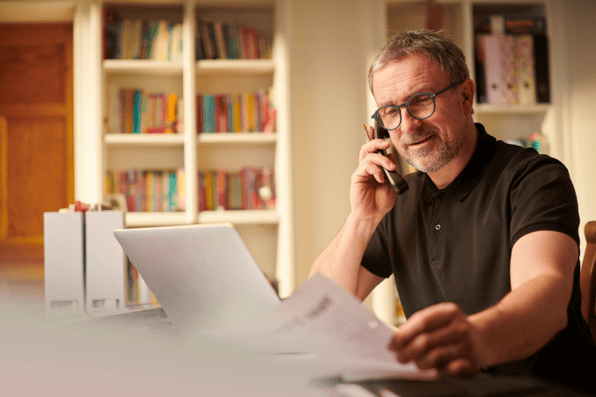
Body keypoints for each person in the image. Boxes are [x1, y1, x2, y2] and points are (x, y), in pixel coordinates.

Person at [309, 29, 596, 394]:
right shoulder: (398, 199)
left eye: (421, 100)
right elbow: (317, 306)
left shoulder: (533, 177)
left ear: (465, 96)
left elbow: (546, 296)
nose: (408, 125)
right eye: (390, 111)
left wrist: (473, 340)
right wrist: (362, 218)